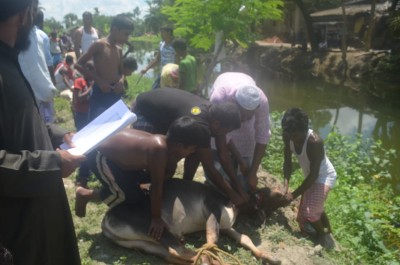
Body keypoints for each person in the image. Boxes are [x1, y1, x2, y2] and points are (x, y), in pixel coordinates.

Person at [0, 1, 86, 264]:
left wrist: (57, 134)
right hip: (18, 231)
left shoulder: (9, 62)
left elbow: (19, 121)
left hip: (39, 220)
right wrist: (51, 165)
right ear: (26, 14)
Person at [75, 117, 209, 240]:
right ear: (179, 146)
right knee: (130, 197)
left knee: (144, 190)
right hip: (102, 156)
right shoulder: (159, 149)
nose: (192, 152)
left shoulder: (170, 147)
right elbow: (157, 187)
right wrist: (156, 218)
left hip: (125, 163)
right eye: (192, 149)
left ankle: (122, 186)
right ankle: (86, 194)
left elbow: (167, 174)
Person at [132, 88, 247, 206]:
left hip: (165, 113)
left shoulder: (217, 114)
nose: (225, 134)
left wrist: (240, 189)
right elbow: (209, 168)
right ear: (217, 124)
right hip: (145, 110)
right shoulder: (201, 125)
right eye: (226, 131)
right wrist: (232, 194)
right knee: (157, 159)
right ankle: (140, 190)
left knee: (195, 150)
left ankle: (185, 184)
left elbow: (223, 155)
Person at [281, 108, 337, 248]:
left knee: (309, 212)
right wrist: (286, 184)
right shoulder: (288, 135)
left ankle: (322, 234)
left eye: (296, 136)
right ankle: (328, 228)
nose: (292, 138)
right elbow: (287, 161)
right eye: (290, 135)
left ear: (305, 130)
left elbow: (314, 175)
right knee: (302, 218)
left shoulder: (314, 142)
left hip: (323, 176)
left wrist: (293, 195)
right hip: (311, 176)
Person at [209, 72, 270, 193]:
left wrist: (252, 172)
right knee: (219, 181)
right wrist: (239, 162)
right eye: (243, 113)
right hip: (221, 126)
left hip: (245, 135)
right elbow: (222, 137)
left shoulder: (261, 101)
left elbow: (262, 136)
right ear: (233, 102)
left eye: (250, 115)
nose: (246, 118)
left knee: (245, 181)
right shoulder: (219, 98)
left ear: (257, 108)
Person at [75, 14, 134, 122]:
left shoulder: (119, 48)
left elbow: (121, 72)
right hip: (101, 92)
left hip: (115, 92)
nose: (127, 38)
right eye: (125, 34)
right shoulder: (99, 45)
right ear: (115, 30)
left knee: (115, 125)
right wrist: (99, 81)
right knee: (97, 126)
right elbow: (78, 65)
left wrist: (121, 80)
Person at [18, 10, 57, 123]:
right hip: (31, 93)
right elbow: (48, 62)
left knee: (47, 125)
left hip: (42, 90)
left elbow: (48, 61)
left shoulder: (40, 36)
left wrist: (51, 81)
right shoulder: (17, 37)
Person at [73, 61, 94, 188]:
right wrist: (91, 87)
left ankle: (90, 168)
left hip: (91, 115)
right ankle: (83, 174)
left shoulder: (94, 82)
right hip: (82, 115)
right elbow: (79, 98)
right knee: (83, 144)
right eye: (89, 71)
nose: (91, 74)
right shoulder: (79, 82)